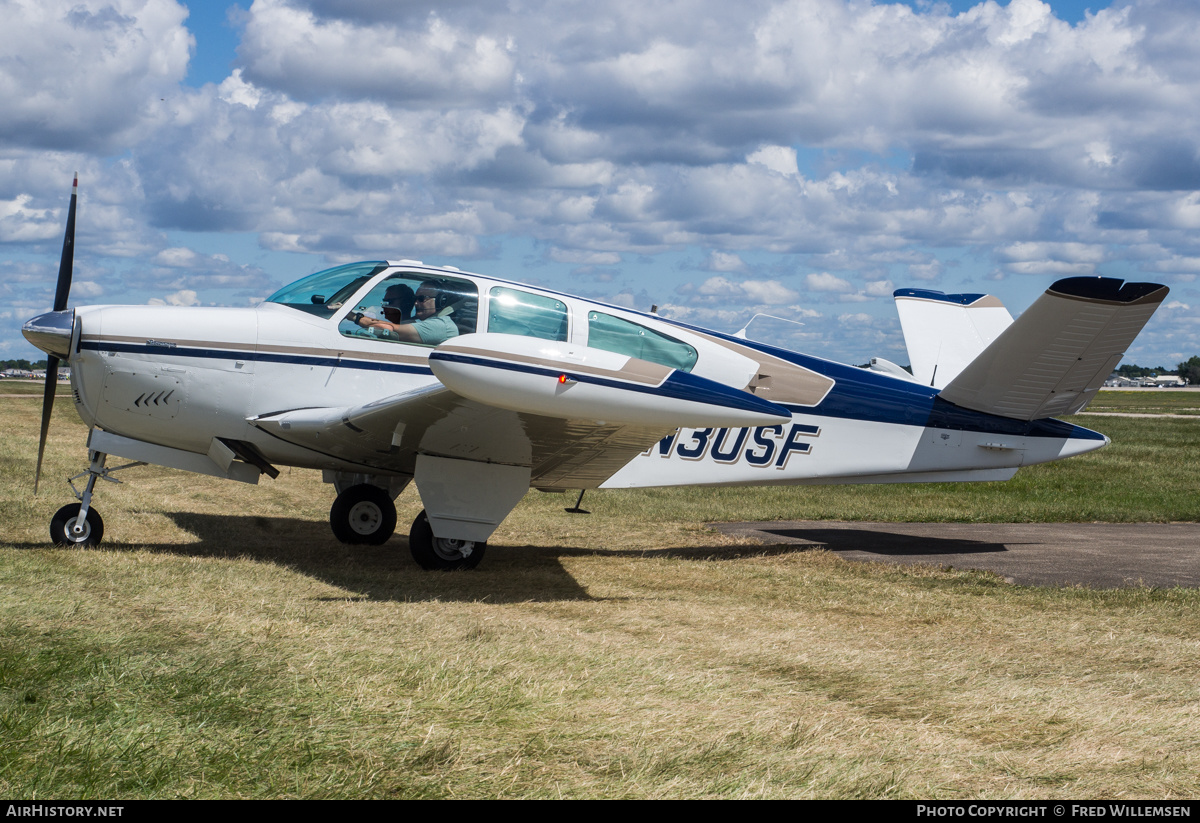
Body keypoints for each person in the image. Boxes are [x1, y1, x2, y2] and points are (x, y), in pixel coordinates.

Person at [353, 279, 459, 345]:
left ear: (441, 301)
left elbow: (391, 329)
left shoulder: (440, 325)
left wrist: (354, 317)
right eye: (415, 299)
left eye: (421, 299)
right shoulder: (415, 322)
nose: (416, 303)